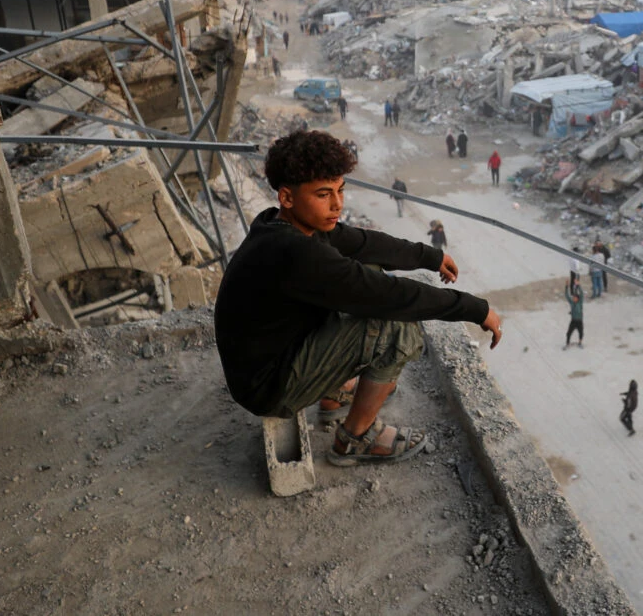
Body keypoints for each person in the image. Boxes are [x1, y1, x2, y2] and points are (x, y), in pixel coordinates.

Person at [212, 130, 503, 467]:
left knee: (370, 269)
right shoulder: (295, 253)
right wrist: (474, 309)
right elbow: (389, 296)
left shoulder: (281, 225)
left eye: (340, 191)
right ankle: (355, 438)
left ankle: (335, 393)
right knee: (398, 327)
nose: (337, 204)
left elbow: (363, 244)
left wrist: (428, 256)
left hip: (269, 357)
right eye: (323, 194)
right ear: (287, 197)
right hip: (268, 388)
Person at [564, 283, 584, 348]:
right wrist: (567, 287)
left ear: (578, 299)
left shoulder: (580, 302)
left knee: (581, 332)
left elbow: (582, 294)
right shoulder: (572, 302)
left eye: (575, 298)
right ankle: (567, 343)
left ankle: (580, 342)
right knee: (568, 333)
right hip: (573, 321)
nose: (573, 298)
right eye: (573, 298)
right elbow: (567, 296)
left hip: (579, 321)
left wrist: (578, 286)